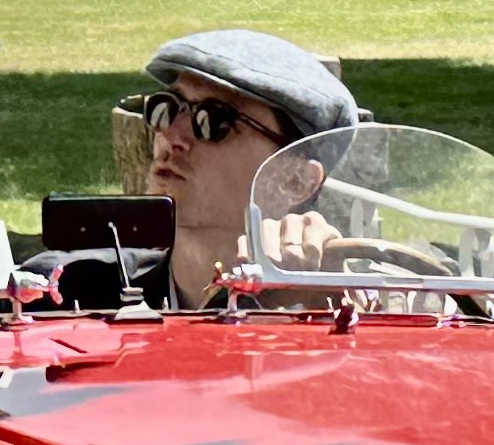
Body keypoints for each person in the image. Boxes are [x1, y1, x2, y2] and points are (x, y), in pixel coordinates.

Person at [139, 29, 359, 307]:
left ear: (295, 181)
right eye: (168, 107)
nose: (171, 136)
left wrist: (340, 311)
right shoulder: (90, 289)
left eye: (214, 120)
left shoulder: (321, 318)